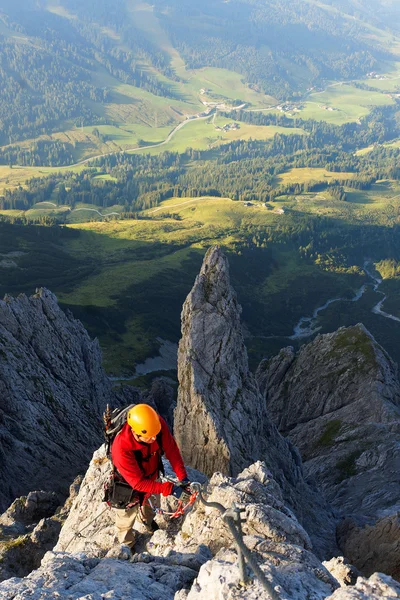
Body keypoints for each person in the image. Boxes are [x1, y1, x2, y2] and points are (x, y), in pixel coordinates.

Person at [111, 403, 190, 550]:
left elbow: (171, 450)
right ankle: (127, 546)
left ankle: (147, 522)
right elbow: (138, 484)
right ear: (136, 432)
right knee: (125, 520)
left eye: (155, 434)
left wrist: (183, 478)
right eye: (149, 437)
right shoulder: (121, 448)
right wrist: (169, 488)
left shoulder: (156, 425)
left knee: (151, 506)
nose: (154, 438)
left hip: (152, 475)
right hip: (126, 485)